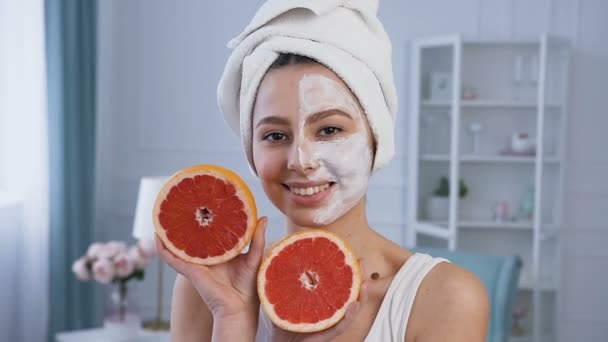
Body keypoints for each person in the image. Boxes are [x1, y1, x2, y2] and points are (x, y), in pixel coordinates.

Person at [156, 1, 489, 341]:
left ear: (376, 138)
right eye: (274, 135)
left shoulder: (444, 298)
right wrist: (234, 320)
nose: (301, 159)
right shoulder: (208, 291)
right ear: (251, 151)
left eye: (329, 130)